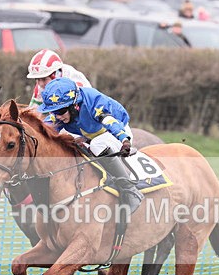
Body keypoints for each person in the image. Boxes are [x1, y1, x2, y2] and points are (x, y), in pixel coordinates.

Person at [38, 77, 143, 214]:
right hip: (91, 134)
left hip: (115, 131)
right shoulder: (64, 110)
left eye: (60, 112)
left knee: (97, 145)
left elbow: (110, 122)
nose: (57, 116)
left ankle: (131, 190)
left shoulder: (93, 103)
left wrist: (125, 140)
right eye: (53, 112)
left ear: (74, 106)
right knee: (69, 141)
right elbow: (44, 130)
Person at [26, 49, 91, 108]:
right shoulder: (41, 86)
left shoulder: (75, 84)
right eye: (37, 79)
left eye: (43, 79)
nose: (40, 84)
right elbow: (33, 111)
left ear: (56, 74)